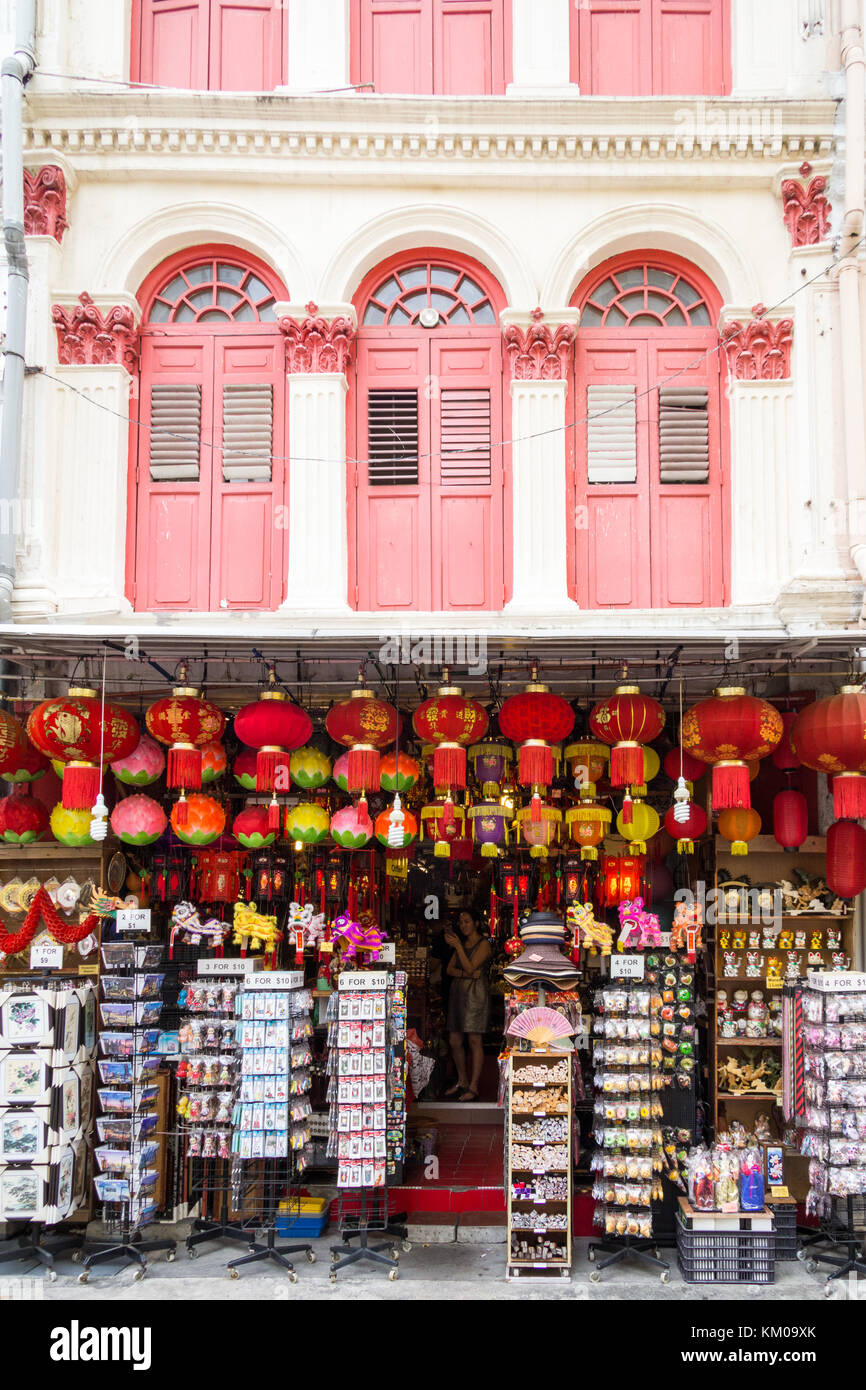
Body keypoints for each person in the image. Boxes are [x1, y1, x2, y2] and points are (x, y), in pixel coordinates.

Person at [444, 908, 492, 1102]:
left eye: (467, 922)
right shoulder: (462, 944)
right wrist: (466, 974)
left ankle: (473, 1085)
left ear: (476, 923)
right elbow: (450, 970)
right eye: (461, 922)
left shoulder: (484, 944)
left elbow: (471, 965)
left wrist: (458, 948)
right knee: (455, 1039)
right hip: (458, 994)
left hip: (476, 995)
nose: (463, 926)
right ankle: (462, 1080)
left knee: (474, 1040)